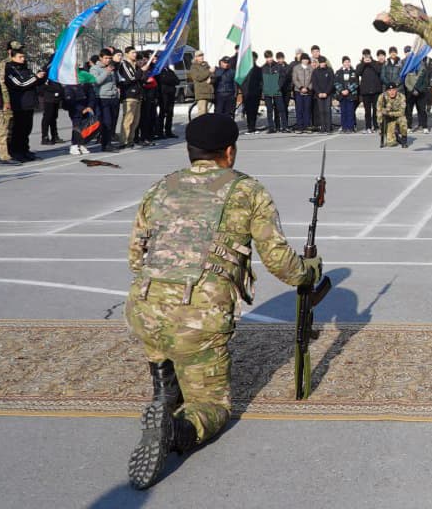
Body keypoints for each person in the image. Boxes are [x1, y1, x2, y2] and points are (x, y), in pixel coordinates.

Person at [124, 112, 322, 490]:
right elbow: (279, 260)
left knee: (163, 342)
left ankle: (164, 392)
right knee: (214, 406)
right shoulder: (247, 191)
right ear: (229, 152)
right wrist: (307, 275)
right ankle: (178, 428)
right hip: (198, 315)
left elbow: (136, 255)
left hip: (144, 307)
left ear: (189, 152)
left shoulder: (161, 186)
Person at [4, 47, 45, 162]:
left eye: (23, 56)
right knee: (18, 129)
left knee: (27, 129)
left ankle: (25, 150)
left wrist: (42, 76)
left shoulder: (26, 69)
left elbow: (34, 82)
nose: (23, 59)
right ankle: (16, 152)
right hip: (19, 104)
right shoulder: (10, 70)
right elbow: (20, 84)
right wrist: (36, 77)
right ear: (12, 57)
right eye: (20, 57)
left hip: (29, 103)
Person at [118, 46, 148, 149]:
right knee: (128, 120)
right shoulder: (125, 64)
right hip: (129, 95)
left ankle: (131, 140)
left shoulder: (135, 65)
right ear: (127, 54)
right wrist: (141, 70)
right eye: (132, 53)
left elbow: (140, 79)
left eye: (135, 53)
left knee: (135, 120)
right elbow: (131, 78)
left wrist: (143, 71)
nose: (135, 54)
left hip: (138, 95)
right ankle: (124, 141)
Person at [90, 49, 121, 151]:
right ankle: (105, 144)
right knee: (106, 122)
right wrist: (107, 72)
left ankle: (109, 142)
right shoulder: (95, 69)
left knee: (111, 122)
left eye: (110, 58)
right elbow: (96, 82)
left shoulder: (111, 68)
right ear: (100, 58)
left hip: (113, 97)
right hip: (102, 98)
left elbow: (114, 81)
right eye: (106, 58)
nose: (108, 60)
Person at [63, 75, 97, 156]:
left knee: (85, 126)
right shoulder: (69, 85)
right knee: (77, 126)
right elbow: (69, 100)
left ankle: (82, 144)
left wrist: (89, 106)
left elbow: (92, 96)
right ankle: (74, 145)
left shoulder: (86, 84)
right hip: (75, 109)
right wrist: (81, 109)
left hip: (86, 108)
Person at [357, 50, 383, 134]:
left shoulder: (376, 63)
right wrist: (364, 63)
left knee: (376, 110)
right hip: (366, 91)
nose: (366, 56)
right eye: (365, 55)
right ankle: (368, 126)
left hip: (376, 91)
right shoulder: (360, 65)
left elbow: (379, 71)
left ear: (370, 55)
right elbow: (358, 73)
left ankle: (376, 126)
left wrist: (371, 63)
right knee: (367, 111)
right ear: (363, 55)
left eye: (368, 55)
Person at [377, 82, 409, 148]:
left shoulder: (401, 96)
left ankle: (404, 140)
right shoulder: (382, 97)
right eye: (389, 90)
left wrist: (390, 113)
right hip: (387, 119)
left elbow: (402, 112)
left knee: (403, 120)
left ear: (396, 90)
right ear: (386, 91)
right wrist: (380, 125)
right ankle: (395, 135)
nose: (392, 92)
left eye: (394, 90)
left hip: (397, 117)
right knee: (391, 144)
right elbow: (379, 111)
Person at [261, 51, 286, 134]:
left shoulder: (278, 66)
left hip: (277, 90)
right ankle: (271, 127)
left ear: (272, 57)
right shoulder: (263, 68)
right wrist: (264, 89)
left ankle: (284, 126)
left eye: (270, 57)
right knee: (269, 110)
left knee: (281, 109)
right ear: (265, 58)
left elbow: (282, 77)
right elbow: (261, 81)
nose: (269, 59)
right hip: (268, 91)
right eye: (267, 57)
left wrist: (278, 86)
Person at [37, 72, 63, 146]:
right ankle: (44, 137)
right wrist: (55, 89)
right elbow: (42, 86)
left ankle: (54, 136)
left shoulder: (56, 72)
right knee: (47, 117)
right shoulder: (46, 73)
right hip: (48, 98)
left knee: (54, 117)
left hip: (56, 98)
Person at [334, 56, 359, 133]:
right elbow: (335, 83)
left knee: (350, 112)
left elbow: (356, 83)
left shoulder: (354, 72)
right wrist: (342, 90)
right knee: (343, 112)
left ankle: (350, 128)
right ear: (343, 63)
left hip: (351, 95)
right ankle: (344, 127)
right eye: (345, 62)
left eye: (348, 62)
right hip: (341, 95)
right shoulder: (338, 72)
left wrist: (348, 90)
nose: (347, 63)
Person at [240, 52, 263, 134]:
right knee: (248, 110)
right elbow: (241, 81)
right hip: (247, 93)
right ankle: (250, 127)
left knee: (254, 110)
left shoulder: (259, 69)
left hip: (256, 93)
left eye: (254, 58)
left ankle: (253, 126)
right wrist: (243, 90)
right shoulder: (244, 69)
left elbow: (261, 81)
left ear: (256, 59)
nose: (252, 59)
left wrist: (260, 90)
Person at [311, 56, 335, 132]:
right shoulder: (315, 71)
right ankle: (323, 127)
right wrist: (319, 93)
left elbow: (331, 83)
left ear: (325, 62)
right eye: (321, 63)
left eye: (323, 62)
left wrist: (326, 93)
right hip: (319, 94)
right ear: (319, 63)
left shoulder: (329, 70)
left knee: (327, 111)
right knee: (321, 111)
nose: (322, 64)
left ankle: (328, 127)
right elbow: (314, 83)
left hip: (327, 94)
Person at [291, 53, 314, 132]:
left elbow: (313, 80)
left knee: (307, 109)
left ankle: (307, 126)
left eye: (306, 59)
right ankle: (300, 126)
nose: (305, 61)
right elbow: (294, 79)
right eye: (303, 59)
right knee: (299, 109)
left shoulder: (311, 68)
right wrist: (301, 87)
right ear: (301, 60)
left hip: (308, 91)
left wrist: (307, 88)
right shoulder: (296, 68)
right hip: (298, 91)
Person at [189, 50, 213, 119]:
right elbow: (198, 77)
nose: (201, 57)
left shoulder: (206, 65)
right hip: (201, 93)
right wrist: (209, 72)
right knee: (202, 114)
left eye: (202, 55)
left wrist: (212, 79)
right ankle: (200, 128)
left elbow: (213, 75)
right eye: (199, 56)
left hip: (209, 92)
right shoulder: (194, 67)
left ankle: (206, 128)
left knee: (207, 114)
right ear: (196, 57)